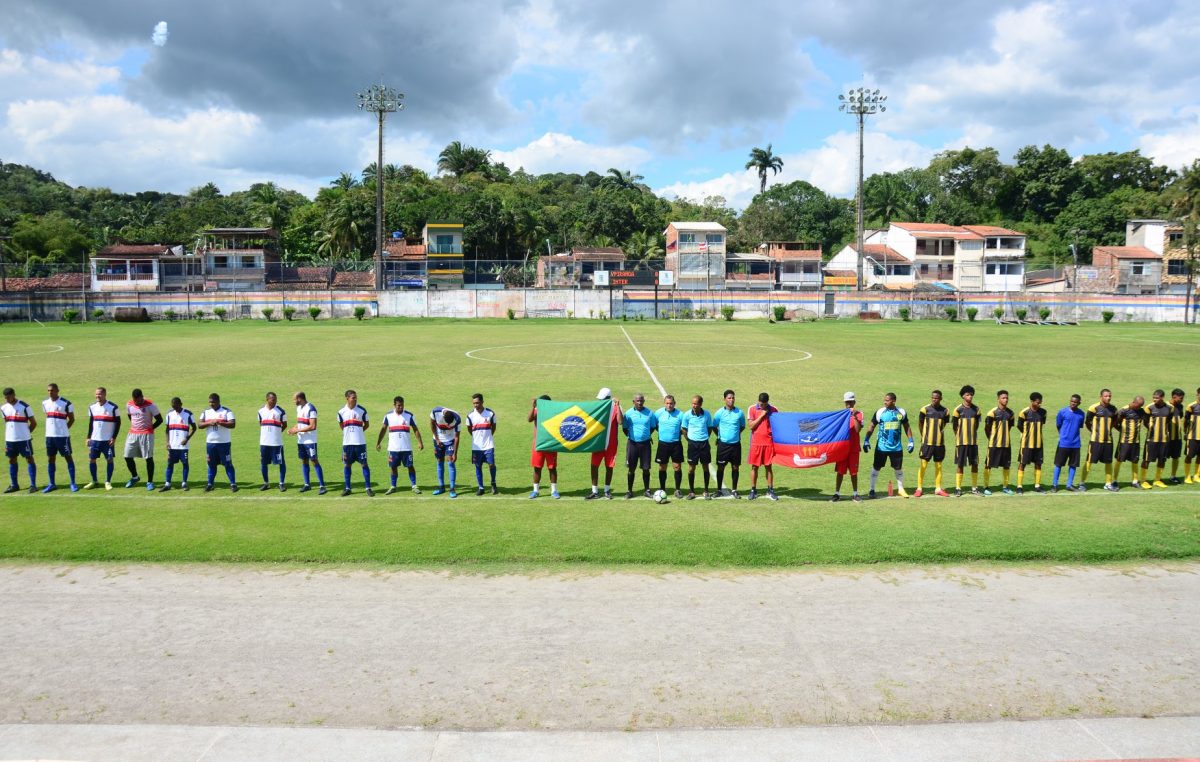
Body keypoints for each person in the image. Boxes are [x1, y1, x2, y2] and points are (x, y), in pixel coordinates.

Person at [863, 392, 912, 499]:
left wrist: (910, 441)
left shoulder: (901, 412)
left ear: (893, 401)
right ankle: (872, 489)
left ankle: (900, 489)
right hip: (881, 447)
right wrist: (866, 440)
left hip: (896, 447)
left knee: (898, 468)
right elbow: (872, 425)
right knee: (876, 467)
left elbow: (906, 426)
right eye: (884, 400)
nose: (885, 402)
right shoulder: (880, 412)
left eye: (887, 400)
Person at [376, 395, 423, 495]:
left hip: (406, 447)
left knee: (410, 466)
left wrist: (420, 442)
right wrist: (378, 442)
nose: (400, 407)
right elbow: (383, 429)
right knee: (393, 467)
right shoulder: (388, 416)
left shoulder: (409, 415)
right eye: (398, 405)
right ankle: (393, 486)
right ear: (394, 405)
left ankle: (414, 485)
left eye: (402, 405)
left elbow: (415, 429)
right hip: (393, 448)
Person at [122, 389, 162, 491]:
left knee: (148, 458)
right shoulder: (129, 404)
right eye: (135, 400)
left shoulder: (151, 405)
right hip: (133, 434)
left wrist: (150, 428)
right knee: (127, 456)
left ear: (142, 397)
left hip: (147, 434)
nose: (137, 402)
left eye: (138, 400)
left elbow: (160, 419)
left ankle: (150, 482)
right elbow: (130, 416)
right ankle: (135, 477)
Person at [197, 392, 238, 492]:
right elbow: (199, 425)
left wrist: (220, 422)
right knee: (211, 464)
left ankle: (233, 484)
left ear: (218, 401)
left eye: (213, 402)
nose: (211, 404)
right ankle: (210, 484)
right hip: (210, 443)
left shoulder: (227, 411)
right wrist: (209, 423)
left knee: (228, 464)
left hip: (224, 443)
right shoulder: (206, 412)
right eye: (210, 402)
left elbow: (233, 424)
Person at [287, 391, 327, 495]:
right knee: (304, 461)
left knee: (314, 461)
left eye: (294, 399)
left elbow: (313, 426)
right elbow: (301, 423)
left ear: (299, 398)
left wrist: (297, 431)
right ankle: (307, 484)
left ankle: (322, 486)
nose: (293, 401)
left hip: (310, 441)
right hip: (301, 440)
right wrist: (293, 429)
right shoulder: (299, 408)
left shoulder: (311, 408)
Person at [586, 388, 622, 500]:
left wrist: (618, 406)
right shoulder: (598, 407)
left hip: (611, 443)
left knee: (609, 466)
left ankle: (607, 490)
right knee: (594, 466)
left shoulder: (616, 407)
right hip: (598, 442)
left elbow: (620, 422)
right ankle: (594, 491)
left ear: (608, 398)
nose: (600, 401)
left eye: (602, 399)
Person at [41, 383, 77, 493]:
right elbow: (48, 417)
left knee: (68, 458)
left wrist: (64, 429)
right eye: (48, 390)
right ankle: (52, 484)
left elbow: (71, 419)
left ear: (57, 391)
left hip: (62, 437)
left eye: (52, 390)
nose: (50, 392)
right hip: (49, 436)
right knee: (50, 459)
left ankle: (73, 483)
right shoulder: (45, 403)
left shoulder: (66, 403)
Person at [337, 389, 372, 497]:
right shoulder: (341, 412)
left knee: (364, 464)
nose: (355, 399)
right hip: (347, 444)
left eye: (356, 397)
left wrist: (359, 432)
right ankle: (348, 488)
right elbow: (342, 426)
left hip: (360, 443)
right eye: (353, 397)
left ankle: (368, 488)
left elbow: (367, 424)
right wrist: (348, 434)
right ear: (347, 398)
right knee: (347, 464)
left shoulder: (362, 410)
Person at [1082, 388, 1118, 492]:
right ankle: (1082, 483)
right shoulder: (1094, 408)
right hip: (1095, 441)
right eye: (1106, 396)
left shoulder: (1113, 409)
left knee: (1108, 462)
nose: (1108, 398)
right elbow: (1087, 422)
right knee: (1089, 461)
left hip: (1108, 441)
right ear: (1101, 397)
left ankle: (1108, 484)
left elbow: (1114, 422)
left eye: (1110, 396)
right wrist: (1094, 431)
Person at [914, 389, 949, 498]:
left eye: (936, 398)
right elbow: (920, 423)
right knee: (923, 465)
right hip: (927, 443)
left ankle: (938, 489)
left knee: (938, 466)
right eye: (933, 398)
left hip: (939, 444)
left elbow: (944, 424)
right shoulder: (925, 410)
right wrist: (923, 436)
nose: (934, 400)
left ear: (940, 398)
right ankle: (919, 488)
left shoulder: (945, 411)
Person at [84, 387, 120, 490]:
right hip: (95, 440)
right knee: (92, 459)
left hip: (107, 440)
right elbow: (91, 423)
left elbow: (118, 423)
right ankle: (94, 481)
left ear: (104, 394)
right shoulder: (92, 407)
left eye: (99, 394)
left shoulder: (113, 407)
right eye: (96, 394)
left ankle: (108, 482)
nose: (97, 396)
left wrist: (114, 437)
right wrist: (88, 437)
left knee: (109, 460)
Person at [712, 389, 746, 498]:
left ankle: (734, 490)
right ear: (724, 399)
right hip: (723, 445)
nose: (731, 400)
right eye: (729, 398)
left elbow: (742, 426)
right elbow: (714, 426)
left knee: (735, 467)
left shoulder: (739, 413)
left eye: (733, 398)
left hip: (735, 445)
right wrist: (719, 436)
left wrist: (735, 434)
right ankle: (719, 490)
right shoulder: (719, 413)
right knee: (720, 467)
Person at [2, 387, 37, 494]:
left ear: (14, 395)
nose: (7, 399)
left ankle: (33, 485)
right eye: (5, 398)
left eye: (9, 397)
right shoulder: (3, 408)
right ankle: (14, 485)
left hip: (23, 439)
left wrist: (27, 434)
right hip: (10, 440)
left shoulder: (24, 406)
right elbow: (8, 423)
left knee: (29, 459)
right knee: (11, 460)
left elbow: (33, 423)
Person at [622, 392, 656, 499]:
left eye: (641, 401)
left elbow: (653, 427)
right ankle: (629, 491)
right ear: (633, 402)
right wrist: (632, 437)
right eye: (637, 401)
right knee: (631, 469)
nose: (640, 403)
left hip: (645, 445)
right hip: (632, 444)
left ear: (644, 401)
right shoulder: (628, 414)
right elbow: (624, 428)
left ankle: (647, 490)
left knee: (646, 468)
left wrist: (646, 435)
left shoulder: (650, 413)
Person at [680, 394, 714, 499]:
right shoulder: (687, 414)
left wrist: (704, 437)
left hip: (704, 444)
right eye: (693, 403)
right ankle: (691, 492)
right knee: (691, 468)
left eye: (696, 404)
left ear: (701, 404)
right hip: (692, 445)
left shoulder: (707, 414)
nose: (694, 405)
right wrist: (689, 440)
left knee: (705, 467)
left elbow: (710, 428)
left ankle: (706, 491)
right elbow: (684, 429)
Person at [747, 392, 779, 501]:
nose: (762, 406)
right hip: (756, 443)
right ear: (758, 401)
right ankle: (753, 490)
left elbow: (778, 426)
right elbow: (751, 426)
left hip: (769, 443)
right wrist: (762, 415)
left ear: (767, 402)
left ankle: (770, 490)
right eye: (761, 404)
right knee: (754, 467)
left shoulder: (774, 410)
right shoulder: (752, 409)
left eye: (764, 404)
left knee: (768, 467)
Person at [951, 385, 982, 497]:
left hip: (973, 442)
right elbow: (954, 426)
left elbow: (976, 425)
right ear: (963, 396)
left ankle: (974, 488)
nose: (970, 396)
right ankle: (958, 488)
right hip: (961, 443)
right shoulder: (958, 410)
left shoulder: (976, 409)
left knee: (975, 464)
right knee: (960, 465)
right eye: (968, 395)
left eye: (971, 394)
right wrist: (960, 436)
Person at [983, 390, 1015, 496]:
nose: (1005, 400)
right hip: (993, 444)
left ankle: (1005, 487)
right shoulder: (992, 413)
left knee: (1006, 465)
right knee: (988, 465)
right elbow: (987, 428)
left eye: (1007, 398)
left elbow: (1009, 427)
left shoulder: (1011, 413)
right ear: (998, 399)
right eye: (1003, 398)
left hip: (1006, 444)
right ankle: (986, 487)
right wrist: (992, 438)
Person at [832, 392, 863, 502]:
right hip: (842, 448)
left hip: (854, 448)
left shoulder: (859, 414)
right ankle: (836, 493)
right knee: (840, 471)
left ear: (854, 402)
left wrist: (854, 416)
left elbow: (857, 430)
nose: (849, 404)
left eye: (850, 402)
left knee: (854, 472)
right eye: (847, 402)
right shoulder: (841, 415)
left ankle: (855, 494)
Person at [160, 397, 196, 491]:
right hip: (172, 446)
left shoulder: (188, 414)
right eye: (173, 407)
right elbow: (167, 429)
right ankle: (167, 484)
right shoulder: (169, 414)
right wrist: (167, 442)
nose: (175, 408)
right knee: (170, 464)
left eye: (176, 406)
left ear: (181, 404)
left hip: (183, 446)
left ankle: (184, 483)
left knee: (185, 463)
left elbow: (194, 428)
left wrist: (187, 438)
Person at [1112, 395, 1148, 490]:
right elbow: (1115, 423)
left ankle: (1135, 481)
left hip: (1136, 441)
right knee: (1119, 460)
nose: (1139, 407)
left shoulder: (1141, 411)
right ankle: (1114, 481)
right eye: (1138, 405)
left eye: (1141, 406)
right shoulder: (1124, 410)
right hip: (1124, 441)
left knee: (1135, 461)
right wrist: (1122, 431)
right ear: (1134, 402)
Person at [653, 394, 685, 499]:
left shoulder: (680, 414)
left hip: (676, 444)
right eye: (667, 403)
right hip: (663, 444)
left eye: (671, 403)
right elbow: (655, 425)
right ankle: (662, 488)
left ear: (674, 403)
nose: (669, 405)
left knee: (677, 467)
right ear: (664, 403)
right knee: (662, 467)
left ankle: (677, 489)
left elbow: (684, 428)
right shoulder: (658, 413)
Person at [1015, 392, 1047, 494]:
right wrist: (1027, 435)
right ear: (1032, 401)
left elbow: (1042, 424)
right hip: (1026, 444)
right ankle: (1019, 486)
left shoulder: (1043, 412)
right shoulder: (1024, 412)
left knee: (1038, 464)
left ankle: (1037, 485)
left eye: (1040, 402)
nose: (1039, 404)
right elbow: (1019, 426)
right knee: (1022, 464)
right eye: (1037, 402)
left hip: (1038, 443)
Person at [1052, 394, 1085, 493]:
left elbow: (1079, 426)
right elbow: (1058, 425)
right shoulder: (1062, 412)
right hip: (1063, 443)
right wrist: (1063, 435)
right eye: (1072, 401)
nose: (1073, 403)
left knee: (1073, 465)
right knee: (1058, 464)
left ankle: (1069, 484)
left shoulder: (1081, 414)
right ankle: (1054, 485)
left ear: (1079, 403)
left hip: (1075, 444)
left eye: (1075, 402)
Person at [528, 395, 559, 499]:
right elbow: (529, 419)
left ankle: (554, 491)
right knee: (537, 468)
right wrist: (533, 407)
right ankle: (535, 491)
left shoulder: (553, 412)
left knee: (552, 467)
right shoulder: (537, 410)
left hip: (551, 444)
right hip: (538, 444)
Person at [467, 393, 498, 496]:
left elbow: (493, 427)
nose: (475, 405)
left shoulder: (490, 413)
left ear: (482, 402)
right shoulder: (470, 416)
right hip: (476, 447)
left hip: (488, 445)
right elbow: (469, 429)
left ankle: (493, 483)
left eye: (477, 403)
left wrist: (488, 436)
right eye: (474, 403)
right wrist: (477, 438)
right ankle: (481, 487)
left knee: (491, 464)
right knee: (478, 466)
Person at [1141, 389, 1173, 489]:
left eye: (1157, 398)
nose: (1154, 399)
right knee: (1147, 459)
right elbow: (1145, 421)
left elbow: (1169, 420)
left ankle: (1157, 480)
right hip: (1151, 439)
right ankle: (1143, 480)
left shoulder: (1169, 408)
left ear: (1162, 397)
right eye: (1153, 397)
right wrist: (1151, 428)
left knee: (1162, 459)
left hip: (1164, 439)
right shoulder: (1149, 408)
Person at [257, 391, 288, 491]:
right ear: (267, 399)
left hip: (276, 442)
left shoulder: (281, 411)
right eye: (272, 399)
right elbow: (261, 423)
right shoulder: (260, 411)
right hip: (264, 442)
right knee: (263, 463)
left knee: (281, 463)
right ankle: (266, 483)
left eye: (275, 399)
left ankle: (281, 483)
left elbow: (285, 425)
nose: (274, 401)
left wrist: (277, 432)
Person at [429, 404, 462, 498]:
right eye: (447, 423)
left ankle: (452, 488)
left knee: (450, 462)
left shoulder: (457, 418)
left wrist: (455, 453)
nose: (448, 426)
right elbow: (432, 425)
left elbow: (457, 436)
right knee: (439, 461)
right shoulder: (435, 412)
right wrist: (437, 439)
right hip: (438, 439)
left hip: (450, 440)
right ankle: (441, 487)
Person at [1168, 388, 1186, 484]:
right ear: (1174, 397)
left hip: (1177, 437)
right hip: (1167, 437)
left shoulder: (1180, 406)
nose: (1182, 400)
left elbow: (1180, 417)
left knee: (1176, 457)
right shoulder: (1166, 406)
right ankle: (1158, 478)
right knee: (1162, 458)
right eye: (1181, 398)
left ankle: (1173, 476)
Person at [1185, 387, 1200, 484]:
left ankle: (1196, 475)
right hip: (1193, 436)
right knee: (1189, 456)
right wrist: (1186, 433)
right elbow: (1186, 421)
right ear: (1197, 394)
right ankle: (1187, 476)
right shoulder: (1191, 406)